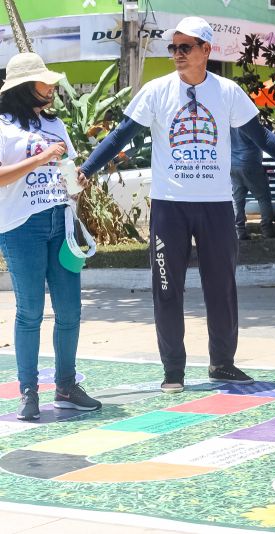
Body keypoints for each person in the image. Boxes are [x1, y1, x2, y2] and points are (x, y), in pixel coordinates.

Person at [79, 17, 275, 394]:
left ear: (206, 50)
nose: (177, 54)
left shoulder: (227, 91)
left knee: (221, 288)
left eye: (185, 47)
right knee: (167, 288)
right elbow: (121, 134)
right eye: (173, 47)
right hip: (170, 207)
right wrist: (86, 170)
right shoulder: (156, 91)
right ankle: (173, 370)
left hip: (216, 207)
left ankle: (223, 364)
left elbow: (262, 137)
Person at [0, 53, 100, 420]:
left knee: (70, 310)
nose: (53, 87)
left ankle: (66, 386)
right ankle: (28, 391)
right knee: (30, 311)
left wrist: (78, 182)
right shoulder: (2, 126)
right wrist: (40, 158)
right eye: (45, 82)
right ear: (26, 87)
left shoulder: (56, 124)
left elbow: (68, 170)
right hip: (21, 226)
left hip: (62, 222)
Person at [230, 127, 275, 240]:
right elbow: (263, 141)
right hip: (251, 163)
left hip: (233, 164)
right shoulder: (248, 122)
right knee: (263, 198)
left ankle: (239, 232)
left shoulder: (229, 122)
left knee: (237, 199)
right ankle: (267, 230)